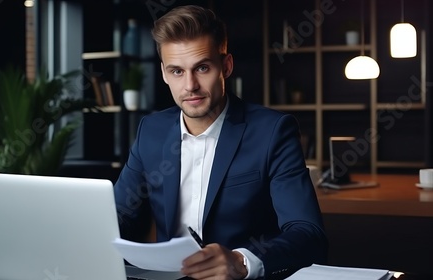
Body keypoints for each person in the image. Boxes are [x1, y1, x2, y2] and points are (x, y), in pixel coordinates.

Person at [114, 5, 328, 280]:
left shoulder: (273, 132)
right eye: (177, 71)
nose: (190, 85)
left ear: (225, 66)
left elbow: (308, 233)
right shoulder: (151, 131)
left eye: (202, 68)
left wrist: (241, 261)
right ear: (165, 74)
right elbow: (120, 218)